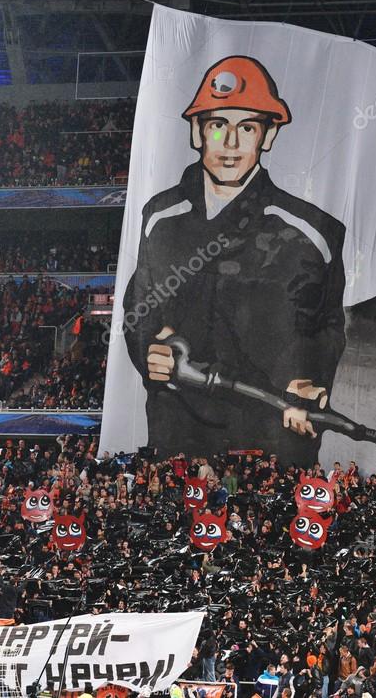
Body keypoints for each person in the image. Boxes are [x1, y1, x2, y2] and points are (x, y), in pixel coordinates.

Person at [124, 55, 346, 465]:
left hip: (269, 432)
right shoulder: (159, 216)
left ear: (269, 135)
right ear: (196, 131)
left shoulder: (315, 233)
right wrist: (148, 354)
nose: (231, 144)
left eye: (247, 127)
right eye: (217, 125)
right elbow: (139, 307)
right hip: (178, 430)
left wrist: (312, 380)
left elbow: (328, 324)